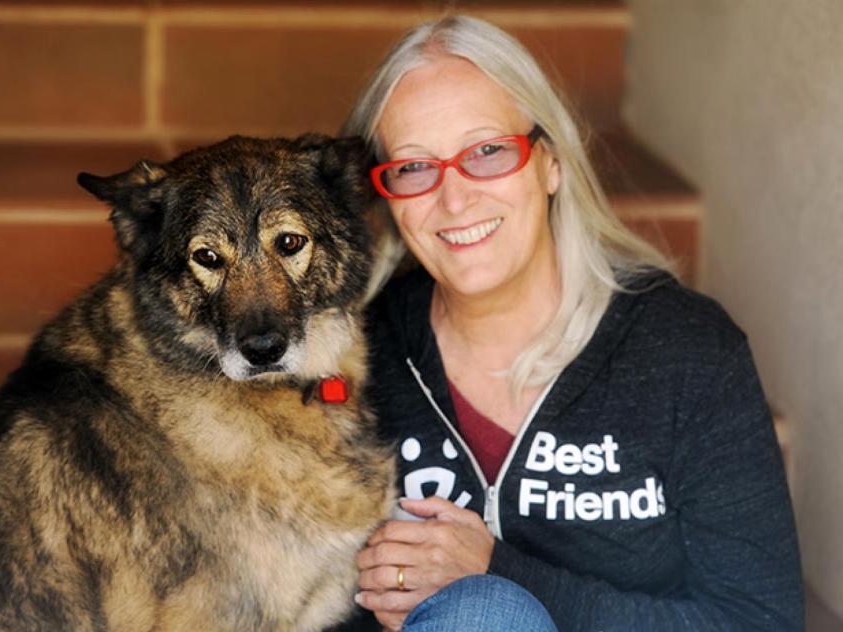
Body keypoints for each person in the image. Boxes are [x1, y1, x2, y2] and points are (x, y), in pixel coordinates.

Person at [336, 15, 804, 632]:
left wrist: (500, 570)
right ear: (388, 194)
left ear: (550, 163)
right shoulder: (356, 357)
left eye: (486, 152)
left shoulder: (685, 352)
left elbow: (759, 620)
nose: (454, 200)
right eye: (415, 167)